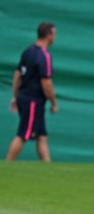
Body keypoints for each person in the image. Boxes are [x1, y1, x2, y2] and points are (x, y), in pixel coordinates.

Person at [7, 22, 58, 162]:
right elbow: (46, 83)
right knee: (23, 135)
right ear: (49, 35)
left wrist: (15, 96)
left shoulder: (28, 51)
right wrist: (54, 103)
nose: (55, 37)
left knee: (42, 136)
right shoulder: (44, 56)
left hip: (29, 100)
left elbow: (17, 75)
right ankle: (6, 166)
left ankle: (49, 170)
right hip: (32, 102)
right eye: (54, 34)